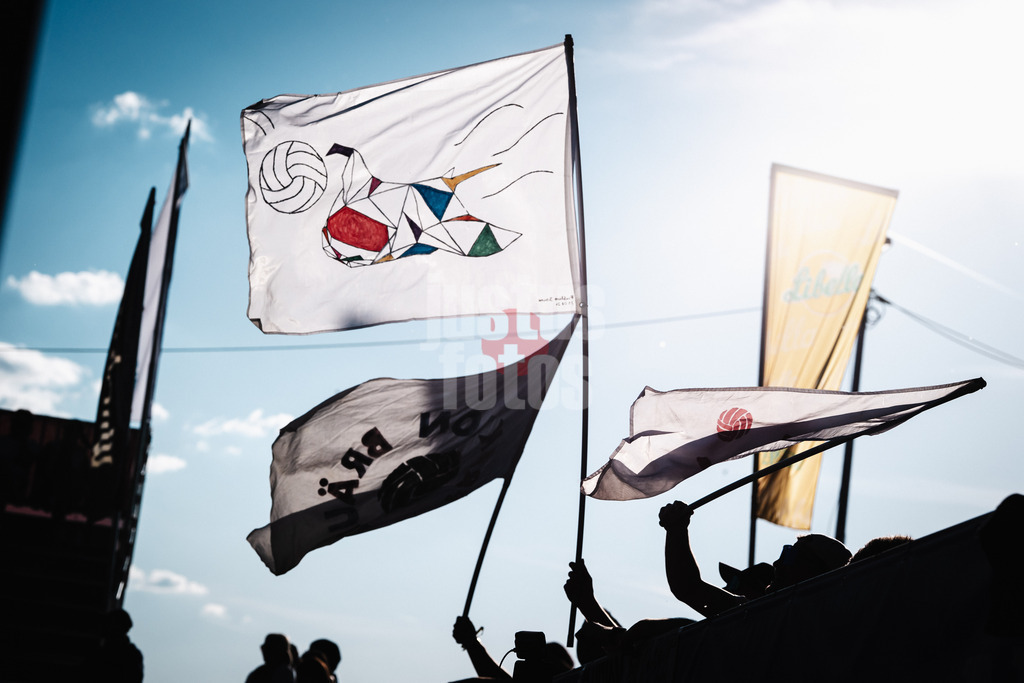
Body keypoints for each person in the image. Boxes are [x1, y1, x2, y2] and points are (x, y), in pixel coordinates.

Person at [660, 500, 851, 617]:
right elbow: (689, 588)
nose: (777, 563)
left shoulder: (764, 615)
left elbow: (688, 588)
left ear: (819, 572)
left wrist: (677, 530)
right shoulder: (760, 611)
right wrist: (677, 531)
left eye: (790, 555)